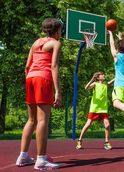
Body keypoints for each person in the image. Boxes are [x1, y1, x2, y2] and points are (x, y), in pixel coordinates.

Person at [16, 18, 62, 170]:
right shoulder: (55, 43)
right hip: (43, 78)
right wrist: (57, 91)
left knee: (31, 120)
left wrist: (31, 80)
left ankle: (23, 156)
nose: (61, 33)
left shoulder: (35, 42)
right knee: (43, 120)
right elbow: (54, 66)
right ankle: (41, 159)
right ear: (56, 31)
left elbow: (27, 66)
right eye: (60, 30)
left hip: (30, 78)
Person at [76, 72, 114, 150]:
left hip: (103, 109)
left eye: (104, 74)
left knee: (107, 125)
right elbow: (86, 88)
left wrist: (120, 75)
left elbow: (112, 81)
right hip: (94, 108)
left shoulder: (105, 85)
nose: (104, 75)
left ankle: (106, 142)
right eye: (102, 75)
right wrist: (92, 79)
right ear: (98, 77)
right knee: (88, 124)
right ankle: (79, 140)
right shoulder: (95, 84)